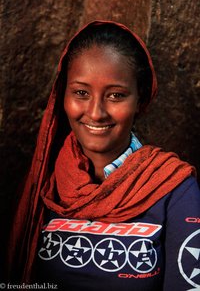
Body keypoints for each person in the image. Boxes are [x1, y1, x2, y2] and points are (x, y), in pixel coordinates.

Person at [7, 20, 200, 290]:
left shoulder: (174, 189)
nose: (96, 112)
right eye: (81, 92)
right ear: (62, 96)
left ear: (141, 100)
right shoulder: (42, 183)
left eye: (116, 95)